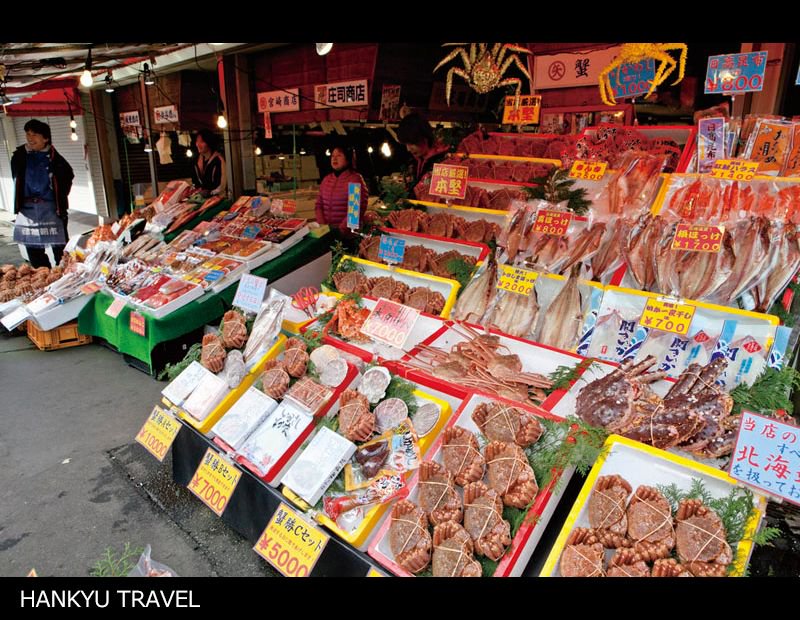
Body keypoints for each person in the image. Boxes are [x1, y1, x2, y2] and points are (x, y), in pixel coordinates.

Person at [11, 119, 74, 268]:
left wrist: (59, 196)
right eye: (28, 134)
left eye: (35, 134)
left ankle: (65, 278)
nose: (30, 138)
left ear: (45, 138)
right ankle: (44, 278)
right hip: (28, 210)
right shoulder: (19, 156)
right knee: (33, 251)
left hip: (51, 209)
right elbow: (17, 178)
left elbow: (68, 176)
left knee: (61, 250)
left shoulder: (55, 158)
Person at [315, 145, 368, 246]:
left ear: (348, 159)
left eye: (339, 155)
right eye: (332, 156)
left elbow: (355, 211)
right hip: (327, 234)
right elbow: (319, 204)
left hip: (348, 237)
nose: (334, 158)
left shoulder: (355, 179)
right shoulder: (326, 179)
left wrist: (339, 232)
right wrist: (323, 227)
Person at [397, 112, 450, 199]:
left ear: (425, 138)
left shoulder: (443, 162)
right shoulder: (414, 160)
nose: (408, 149)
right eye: (406, 144)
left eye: (411, 143)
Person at [192, 129, 227, 196]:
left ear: (209, 143)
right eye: (197, 141)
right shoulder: (197, 160)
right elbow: (195, 182)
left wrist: (210, 193)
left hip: (217, 199)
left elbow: (221, 185)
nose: (198, 144)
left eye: (201, 142)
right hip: (201, 199)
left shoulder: (218, 160)